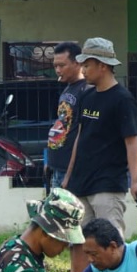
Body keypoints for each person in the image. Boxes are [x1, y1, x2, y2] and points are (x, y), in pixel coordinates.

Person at [57, 37, 137, 272]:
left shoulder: (122, 99)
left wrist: (136, 181)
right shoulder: (87, 97)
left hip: (108, 184)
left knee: (111, 244)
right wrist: (68, 178)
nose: (83, 70)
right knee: (80, 241)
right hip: (80, 182)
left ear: (103, 66)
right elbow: (80, 139)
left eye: (87, 65)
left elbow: (132, 143)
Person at [45, 41, 89, 193]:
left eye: (62, 65)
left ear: (77, 63)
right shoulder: (68, 88)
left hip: (73, 172)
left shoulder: (86, 90)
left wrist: (69, 174)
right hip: (57, 168)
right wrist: (49, 160)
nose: (57, 70)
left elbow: (82, 134)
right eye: (55, 66)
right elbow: (62, 123)